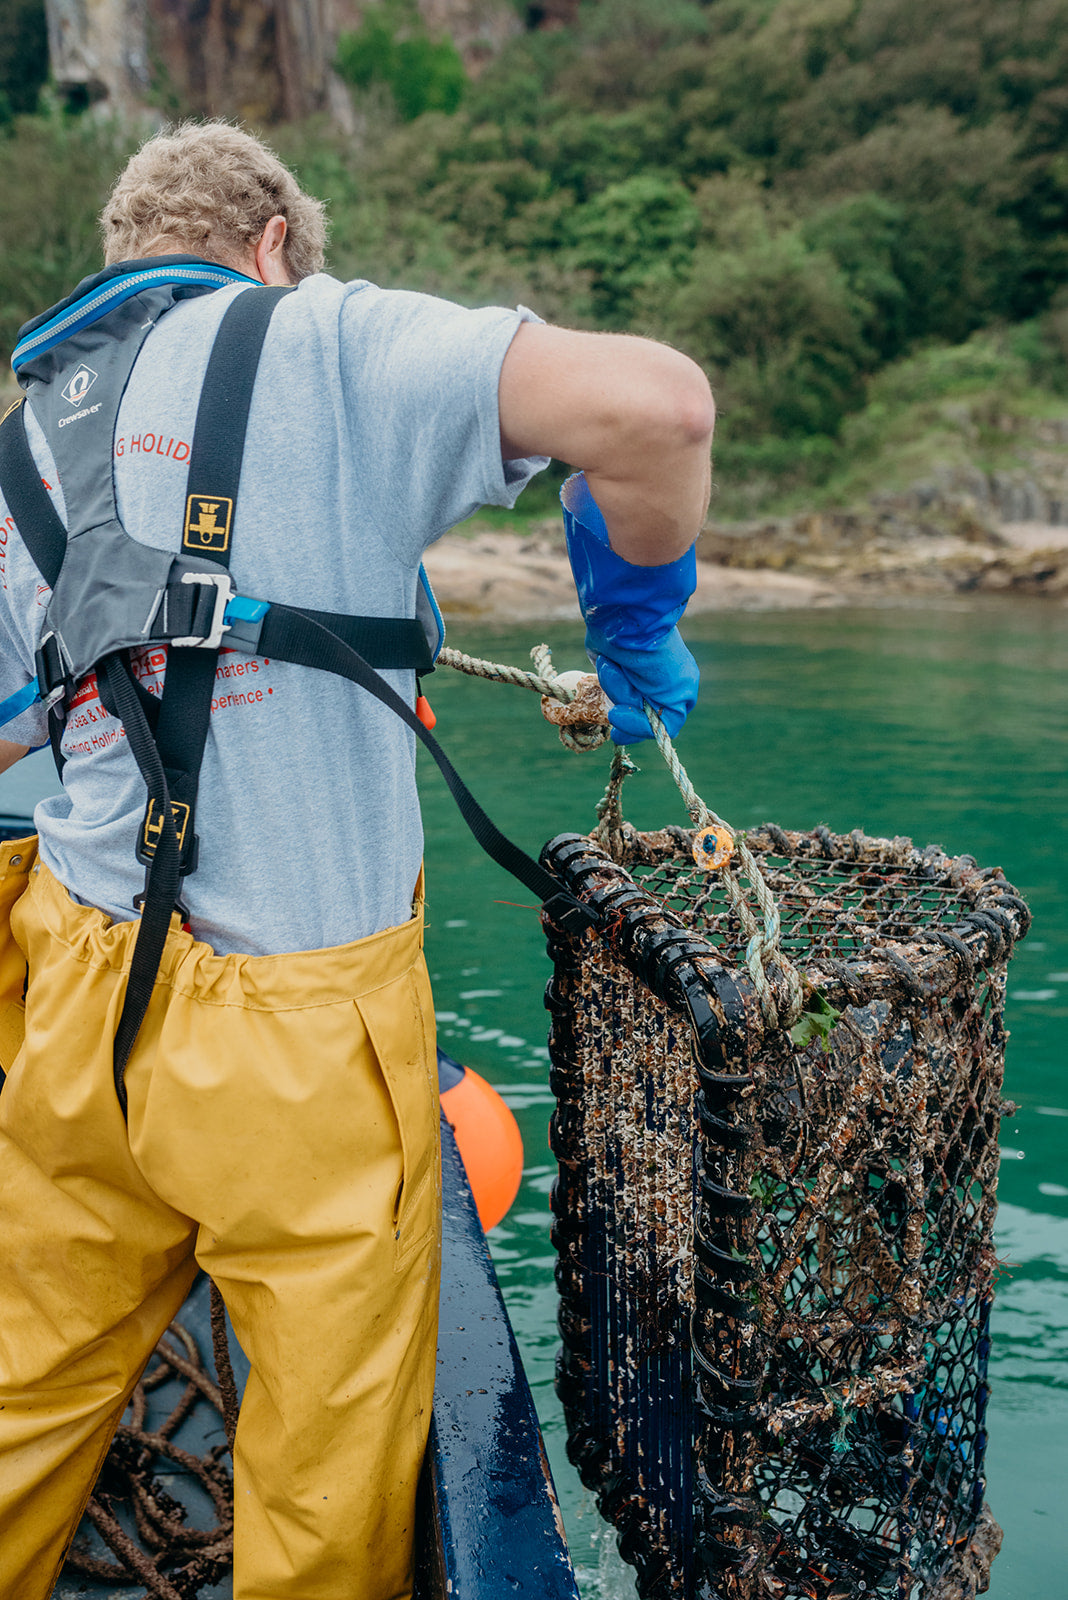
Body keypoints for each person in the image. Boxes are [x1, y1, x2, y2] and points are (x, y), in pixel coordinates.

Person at [0, 121, 714, 1599]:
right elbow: (655, 412)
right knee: (325, 1486)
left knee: (18, 1405)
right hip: (299, 1038)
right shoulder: (319, 340)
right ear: (272, 244)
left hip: (73, 1008)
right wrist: (635, 629)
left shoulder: (22, 443)